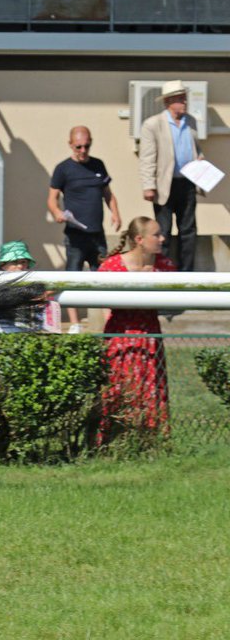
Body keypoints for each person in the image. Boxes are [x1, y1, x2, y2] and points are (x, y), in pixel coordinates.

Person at [97, 216, 174, 444]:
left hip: (150, 332)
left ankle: (149, 439)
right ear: (139, 239)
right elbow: (100, 299)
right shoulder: (111, 266)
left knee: (152, 382)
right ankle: (115, 437)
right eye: (156, 234)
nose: (162, 238)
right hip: (119, 332)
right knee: (118, 382)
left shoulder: (165, 266)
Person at [48, 125, 121, 331]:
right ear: (70, 144)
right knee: (73, 277)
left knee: (104, 277)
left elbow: (108, 193)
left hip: (97, 235)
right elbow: (52, 199)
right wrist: (57, 213)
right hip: (75, 235)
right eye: (78, 146)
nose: (83, 151)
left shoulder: (98, 165)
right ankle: (74, 323)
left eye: (86, 146)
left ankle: (110, 322)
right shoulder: (63, 169)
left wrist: (115, 212)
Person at [139, 80, 201, 272]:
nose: (184, 102)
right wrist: (148, 185)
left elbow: (195, 149)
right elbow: (147, 157)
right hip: (164, 185)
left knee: (188, 231)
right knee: (162, 231)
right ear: (169, 102)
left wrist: (200, 160)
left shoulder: (191, 122)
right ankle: (164, 273)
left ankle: (186, 273)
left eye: (184, 98)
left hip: (187, 184)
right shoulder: (153, 124)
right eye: (180, 99)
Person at [0, 241, 56, 334]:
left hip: (29, 333)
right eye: (14, 262)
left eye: (23, 262)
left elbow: (57, 285)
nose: (20, 266)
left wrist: (45, 294)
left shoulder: (33, 278)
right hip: (4, 331)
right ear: (3, 264)